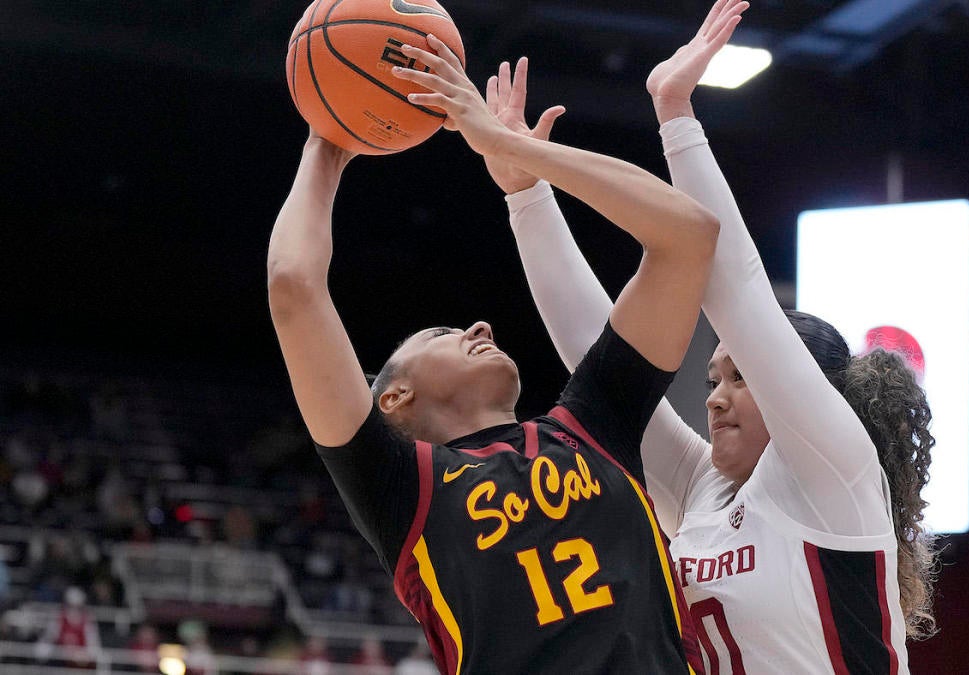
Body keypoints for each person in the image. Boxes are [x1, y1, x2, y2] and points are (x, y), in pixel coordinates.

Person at [502, 1, 937, 672]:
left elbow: (736, 286)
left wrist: (676, 116)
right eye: (713, 380)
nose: (716, 399)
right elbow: (600, 360)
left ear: (804, 394)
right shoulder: (704, 485)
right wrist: (525, 195)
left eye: (741, 378)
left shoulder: (834, 472)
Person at [267, 34, 717, 674]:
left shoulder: (593, 426)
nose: (478, 325)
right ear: (393, 397)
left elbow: (687, 236)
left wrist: (513, 150)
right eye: (441, 333)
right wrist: (327, 134)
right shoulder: (398, 486)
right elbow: (293, 286)